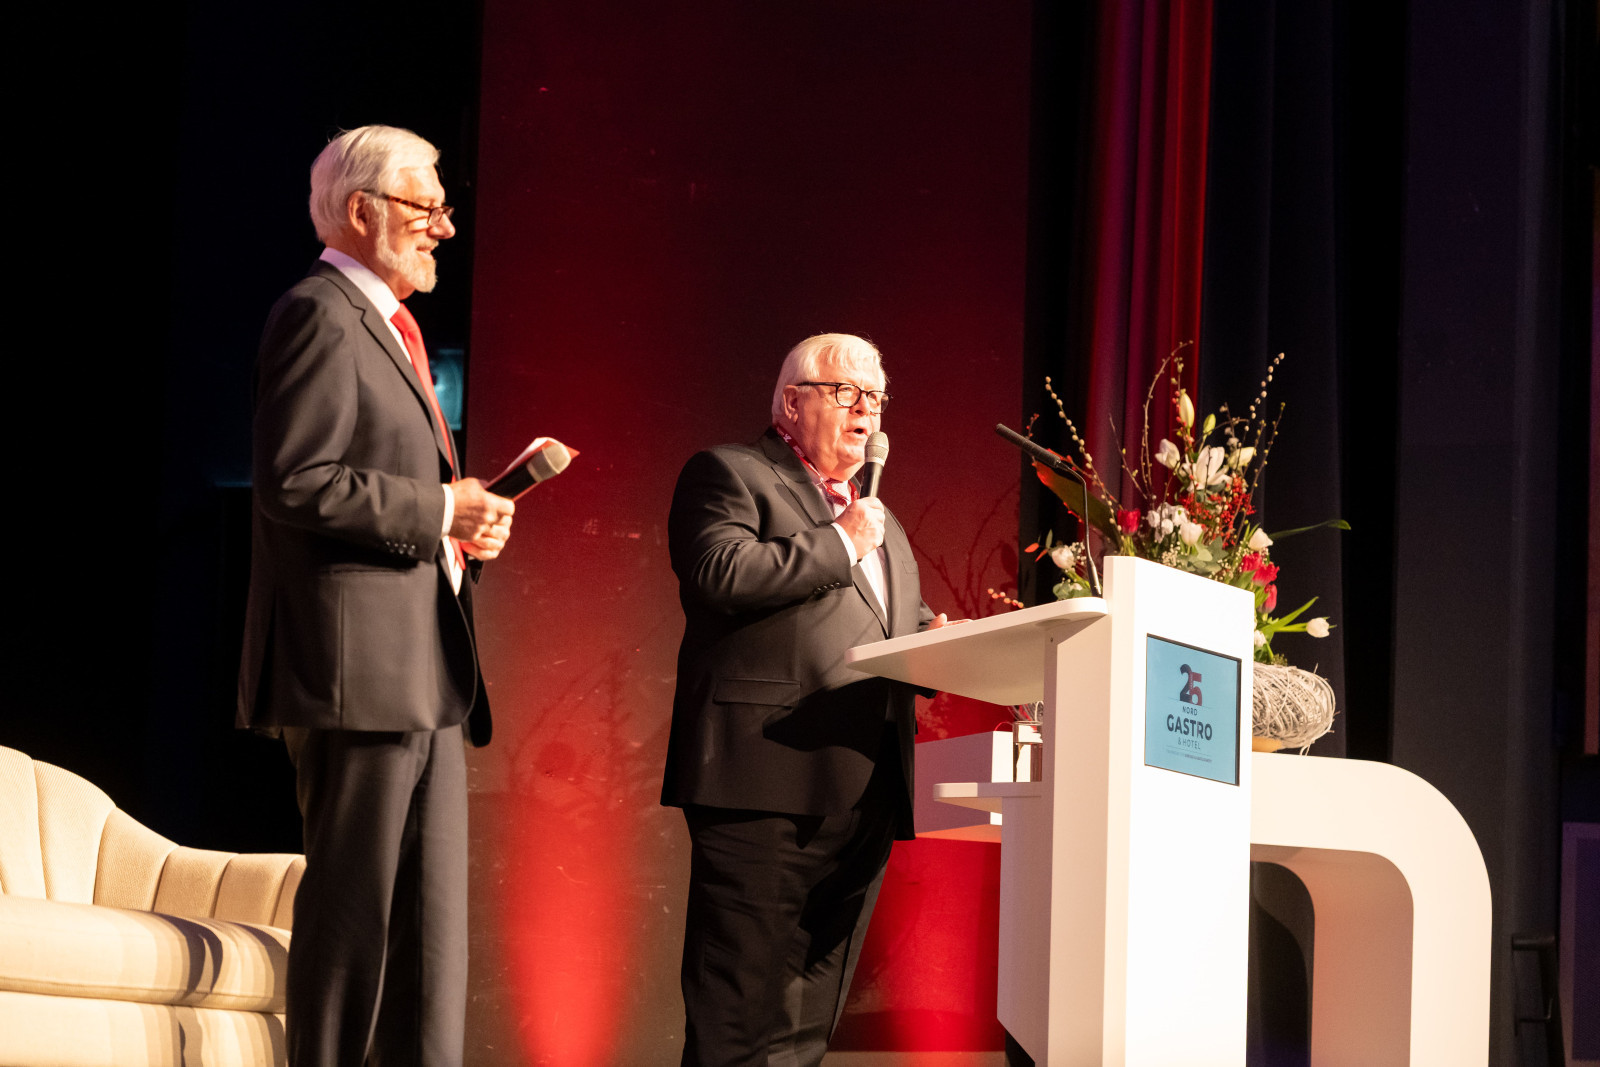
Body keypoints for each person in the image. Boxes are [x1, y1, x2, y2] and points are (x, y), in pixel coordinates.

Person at [237, 125, 515, 1066]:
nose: (442, 225)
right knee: (358, 926)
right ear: (362, 211)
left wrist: (461, 527)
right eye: (423, 205)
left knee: (431, 941)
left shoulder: (394, 329)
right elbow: (295, 480)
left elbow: (377, 493)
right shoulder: (319, 311)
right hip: (358, 672)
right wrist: (440, 503)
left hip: (425, 666)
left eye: (442, 206)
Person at [663, 333, 950, 1066]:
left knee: (805, 1026)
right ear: (793, 402)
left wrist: (945, 644)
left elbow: (898, 631)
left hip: (862, 790)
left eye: (877, 397)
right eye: (847, 392)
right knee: (736, 1016)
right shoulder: (731, 474)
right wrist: (840, 540)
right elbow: (720, 574)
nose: (867, 413)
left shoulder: (884, 526)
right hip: (763, 783)